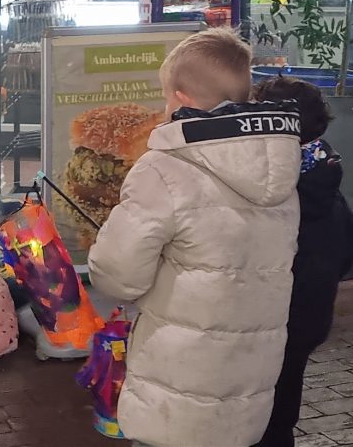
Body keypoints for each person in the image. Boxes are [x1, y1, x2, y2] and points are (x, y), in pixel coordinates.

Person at [87, 27, 302, 447]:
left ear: (180, 99)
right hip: (248, 385)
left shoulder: (163, 169)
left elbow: (118, 275)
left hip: (175, 385)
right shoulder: (280, 172)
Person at [251, 76, 353, 447]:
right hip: (310, 318)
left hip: (275, 318)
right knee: (284, 400)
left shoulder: (273, 192)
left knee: (260, 407)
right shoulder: (324, 170)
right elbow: (345, 254)